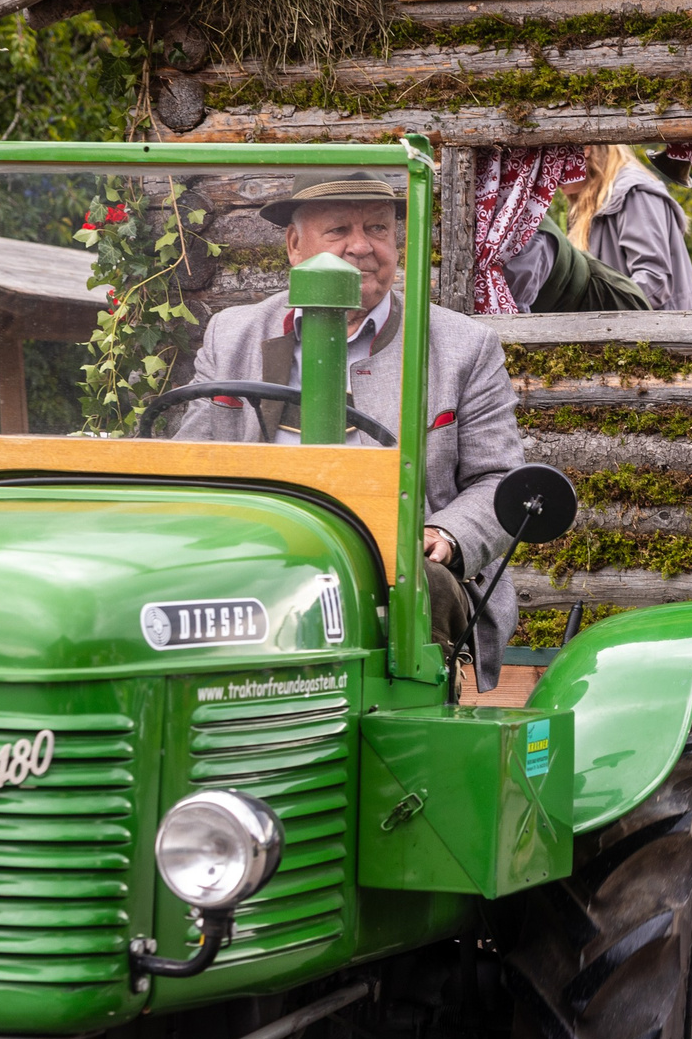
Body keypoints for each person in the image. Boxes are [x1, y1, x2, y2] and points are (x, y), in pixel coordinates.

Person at [174, 172, 524, 688]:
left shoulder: (462, 346)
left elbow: (500, 481)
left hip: (395, 570)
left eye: (377, 228)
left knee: (417, 582)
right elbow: (190, 463)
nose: (361, 247)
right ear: (294, 246)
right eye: (338, 229)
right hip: (254, 551)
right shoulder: (233, 333)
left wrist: (444, 535)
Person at [558, 144, 692, 311]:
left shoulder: (633, 192)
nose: (549, 175)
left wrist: (593, 310)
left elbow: (653, 281)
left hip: (663, 326)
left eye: (552, 159)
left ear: (586, 149)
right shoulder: (590, 204)